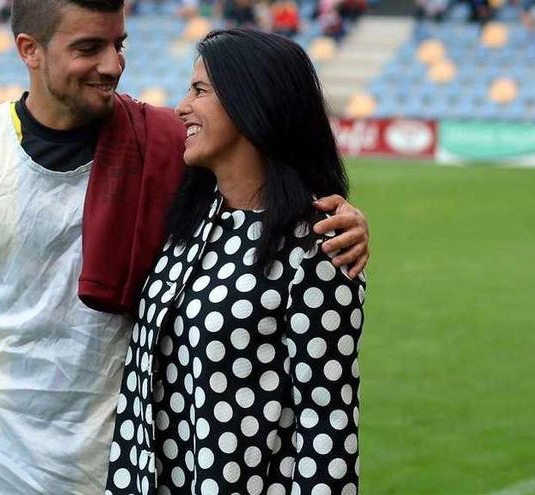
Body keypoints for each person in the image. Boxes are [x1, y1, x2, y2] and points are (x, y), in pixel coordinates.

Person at [0, 1, 371, 494]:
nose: (112, 65)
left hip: (110, 473)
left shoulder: (170, 149)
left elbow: (264, 175)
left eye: (119, 45)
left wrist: (340, 219)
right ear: (30, 50)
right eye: (88, 48)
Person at [104, 29, 365, 494]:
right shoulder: (191, 222)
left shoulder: (318, 248)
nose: (182, 106)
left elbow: (326, 430)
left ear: (252, 105)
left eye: (200, 90)